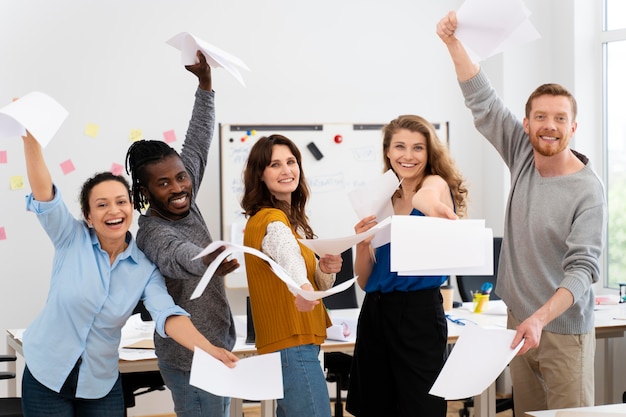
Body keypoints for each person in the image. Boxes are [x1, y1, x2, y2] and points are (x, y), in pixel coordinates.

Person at [437, 11, 606, 415]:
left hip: (563, 331)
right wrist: (453, 44)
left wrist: (541, 319)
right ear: (527, 124)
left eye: (560, 119)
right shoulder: (522, 153)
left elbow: (583, 270)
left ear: (573, 126)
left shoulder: (588, 190)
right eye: (541, 118)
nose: (550, 126)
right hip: (519, 324)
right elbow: (483, 99)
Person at [18, 128, 237, 417]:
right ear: (88, 215)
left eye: (121, 202)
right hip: (46, 374)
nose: (114, 211)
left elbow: (167, 314)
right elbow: (45, 195)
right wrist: (31, 140)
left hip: (99, 383)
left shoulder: (144, 268)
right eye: (102, 204)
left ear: (132, 206)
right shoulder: (70, 239)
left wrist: (205, 347)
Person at [124, 51, 239, 417]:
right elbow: (176, 254)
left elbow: (199, 138)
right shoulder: (151, 230)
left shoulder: (184, 191)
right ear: (144, 193)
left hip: (217, 343)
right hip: (188, 357)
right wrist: (206, 261)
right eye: (163, 183)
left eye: (181, 176)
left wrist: (205, 84)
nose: (178, 187)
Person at [346, 114, 468, 417]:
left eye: (418, 148)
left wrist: (430, 205)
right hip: (375, 312)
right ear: (388, 151)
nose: (408, 156)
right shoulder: (381, 197)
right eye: (400, 146)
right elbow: (364, 281)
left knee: (421, 409)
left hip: (419, 314)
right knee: (374, 409)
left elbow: (428, 196)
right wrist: (362, 243)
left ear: (429, 153)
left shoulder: (435, 184)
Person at [240, 134, 343, 417]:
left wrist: (322, 270)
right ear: (260, 175)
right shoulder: (270, 219)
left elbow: (297, 267)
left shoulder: (291, 220)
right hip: (292, 343)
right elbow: (288, 257)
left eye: (291, 161)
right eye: (275, 164)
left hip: (300, 341)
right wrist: (304, 285)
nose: (286, 170)